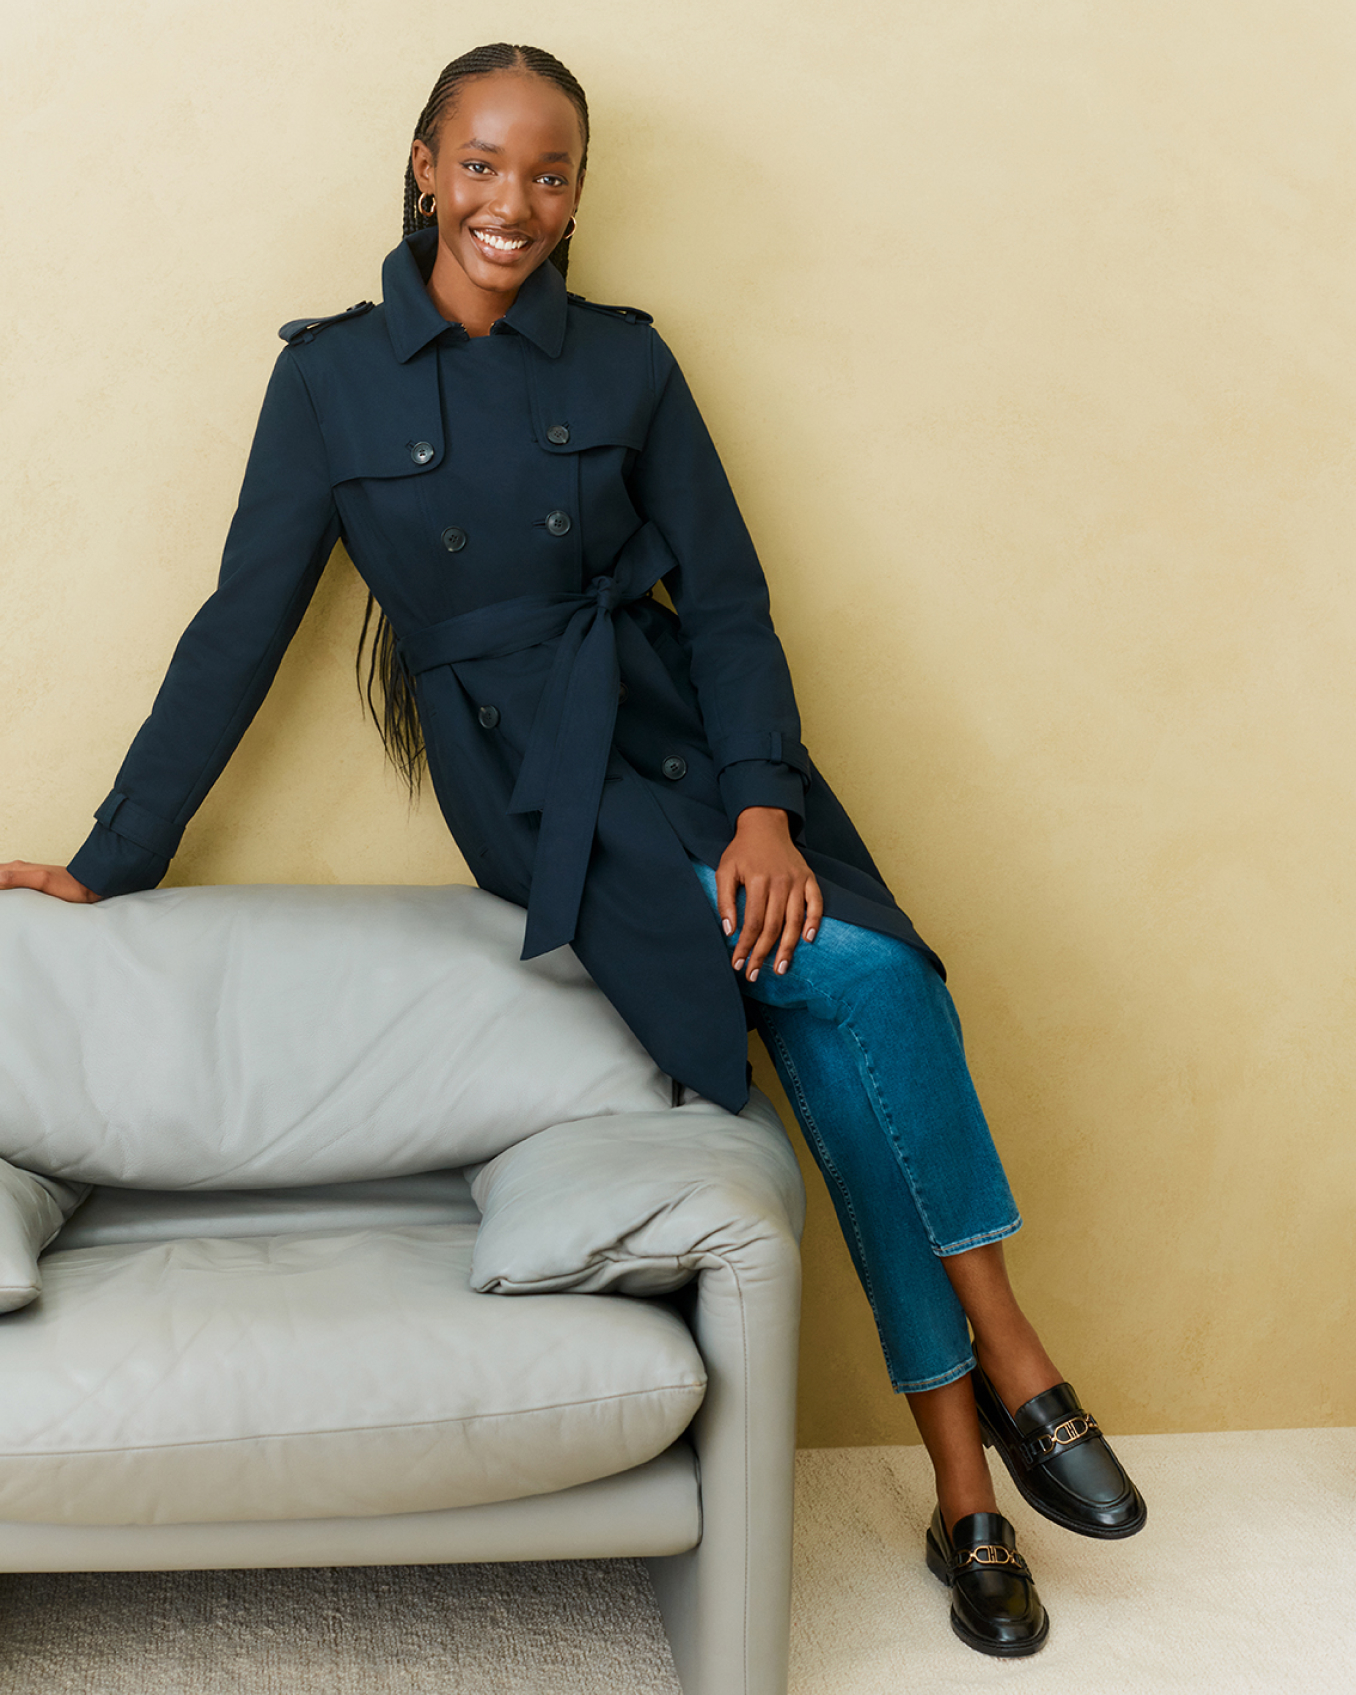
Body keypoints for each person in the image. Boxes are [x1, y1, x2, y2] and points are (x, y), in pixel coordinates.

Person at [0, 43, 1144, 1657]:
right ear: (421, 167)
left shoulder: (628, 363)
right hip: (546, 786)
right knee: (851, 991)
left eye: (548, 174)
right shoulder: (329, 377)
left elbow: (733, 598)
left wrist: (763, 809)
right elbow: (238, 629)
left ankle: (969, 1487)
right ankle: (1010, 1370)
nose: (511, 205)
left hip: (699, 737)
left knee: (857, 1013)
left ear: (578, 193)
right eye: (480, 165)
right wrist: (111, 858)